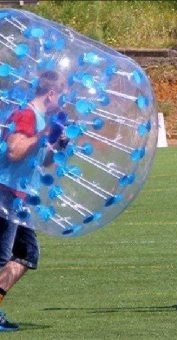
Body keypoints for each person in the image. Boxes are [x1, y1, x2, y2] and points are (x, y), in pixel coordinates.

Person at [0, 70, 66, 331]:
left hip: (21, 197)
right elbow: (15, 150)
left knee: (27, 254)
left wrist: (54, 146)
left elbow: (40, 161)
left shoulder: (41, 119)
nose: (64, 101)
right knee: (1, 256)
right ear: (51, 94)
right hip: (5, 192)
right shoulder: (27, 114)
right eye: (62, 95)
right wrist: (42, 136)